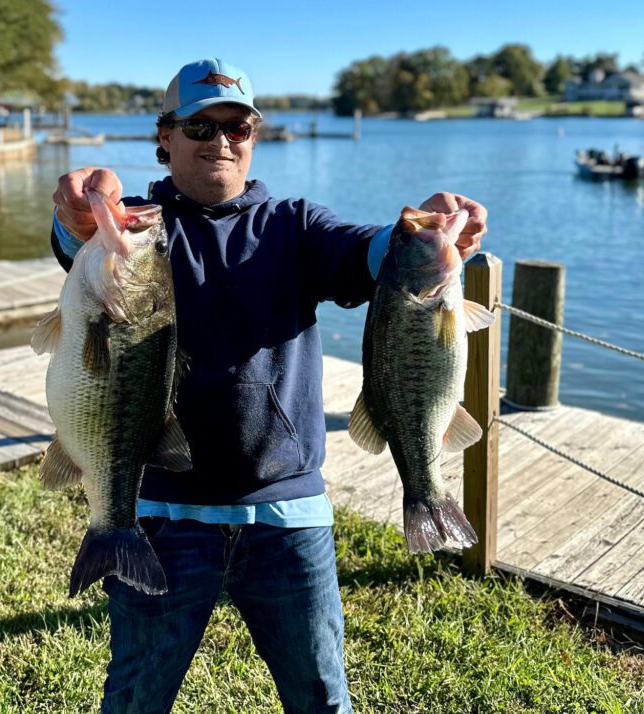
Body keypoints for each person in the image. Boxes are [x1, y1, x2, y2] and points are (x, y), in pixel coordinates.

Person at [51, 58, 488, 714]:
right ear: (164, 136)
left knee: (320, 695)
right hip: (163, 513)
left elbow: (365, 255)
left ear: (254, 137)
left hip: (287, 514)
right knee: (136, 696)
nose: (220, 140)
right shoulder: (139, 228)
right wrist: (79, 218)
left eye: (238, 126)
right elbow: (80, 243)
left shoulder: (294, 224)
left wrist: (418, 236)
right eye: (199, 125)